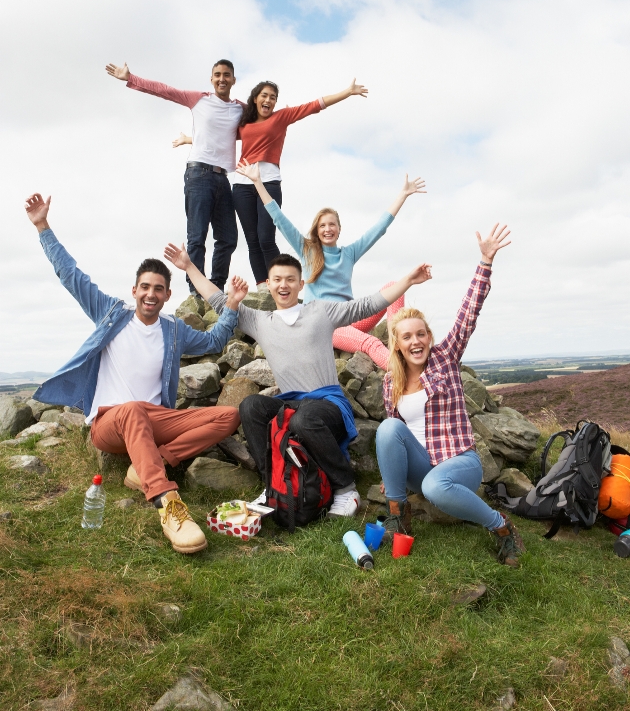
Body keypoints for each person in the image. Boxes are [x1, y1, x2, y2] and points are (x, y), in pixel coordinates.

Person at [25, 193, 248, 554]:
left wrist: (232, 306)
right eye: (145, 287)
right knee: (130, 409)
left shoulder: (173, 331)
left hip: (155, 418)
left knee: (229, 415)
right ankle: (167, 502)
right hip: (111, 422)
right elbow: (71, 276)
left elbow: (214, 341)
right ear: (134, 291)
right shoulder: (112, 314)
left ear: (167, 295)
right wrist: (42, 226)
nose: (150, 294)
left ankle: (151, 464)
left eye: (158, 289)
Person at [164, 243, 432, 518]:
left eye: (290, 279)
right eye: (277, 279)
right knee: (250, 407)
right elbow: (220, 301)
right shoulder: (260, 321)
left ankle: (346, 488)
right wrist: (188, 266)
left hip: (328, 405)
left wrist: (408, 280)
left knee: (303, 419)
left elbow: (365, 305)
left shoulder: (320, 312)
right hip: (292, 402)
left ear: (301, 284)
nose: (284, 285)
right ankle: (274, 486)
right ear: (268, 284)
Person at [375, 224, 526, 567]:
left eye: (420, 334)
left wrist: (484, 262)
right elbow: (394, 438)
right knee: (387, 429)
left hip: (459, 462)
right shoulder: (391, 382)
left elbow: (467, 314)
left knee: (436, 487)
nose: (415, 342)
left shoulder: (445, 358)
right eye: (406, 337)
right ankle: (398, 516)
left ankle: (502, 528)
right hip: (422, 466)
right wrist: (391, 479)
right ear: (397, 344)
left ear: (429, 337)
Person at [174, 78, 368, 290]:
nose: (268, 100)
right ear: (255, 99)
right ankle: (263, 286)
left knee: (266, 238)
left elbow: (315, 105)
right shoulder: (244, 123)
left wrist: (347, 92)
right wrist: (188, 139)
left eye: (273, 97)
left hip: (269, 182)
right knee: (252, 241)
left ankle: (280, 281)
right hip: (242, 184)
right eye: (264, 96)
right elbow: (217, 138)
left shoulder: (281, 117)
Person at [235, 159, 426, 369]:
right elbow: (278, 218)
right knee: (370, 342)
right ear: (317, 230)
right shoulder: (307, 251)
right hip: (325, 325)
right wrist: (258, 182)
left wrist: (403, 195)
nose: (327, 229)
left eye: (332, 225)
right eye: (323, 225)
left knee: (392, 287)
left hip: (352, 317)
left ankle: (397, 343)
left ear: (339, 229)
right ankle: (402, 370)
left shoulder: (349, 253)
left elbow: (379, 228)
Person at [106, 59, 242, 294]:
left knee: (228, 239)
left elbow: (258, 127)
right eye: (217, 74)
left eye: (227, 75)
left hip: (223, 178)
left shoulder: (240, 108)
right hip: (199, 174)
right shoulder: (200, 99)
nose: (222, 79)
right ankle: (197, 292)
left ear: (233, 80)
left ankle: (215, 288)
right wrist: (131, 78)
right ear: (211, 79)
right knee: (197, 237)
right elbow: (166, 91)